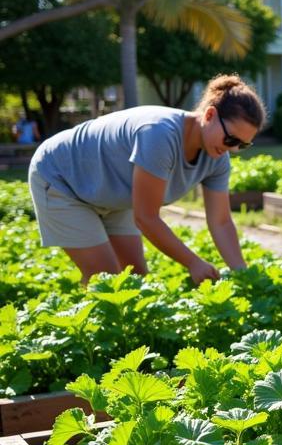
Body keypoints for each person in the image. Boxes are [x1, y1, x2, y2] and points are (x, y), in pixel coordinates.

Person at [27, 74, 265, 286]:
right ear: (210, 115)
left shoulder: (217, 157)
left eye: (242, 145)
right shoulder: (159, 135)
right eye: (231, 139)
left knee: (135, 278)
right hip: (62, 177)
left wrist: (242, 274)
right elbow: (146, 217)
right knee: (106, 282)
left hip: (109, 192)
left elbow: (221, 221)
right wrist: (193, 262)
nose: (233, 149)